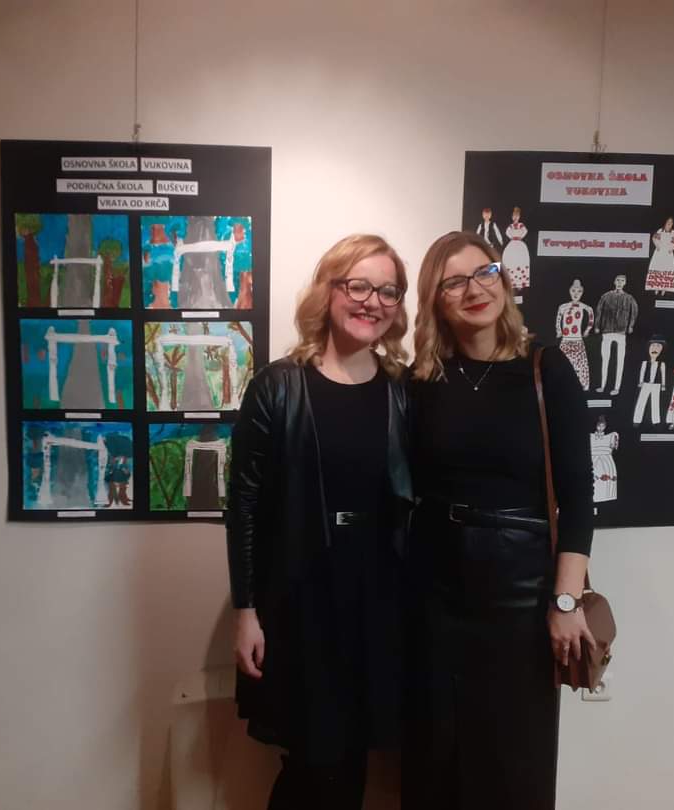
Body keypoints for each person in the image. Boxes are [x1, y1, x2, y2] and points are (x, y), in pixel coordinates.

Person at [404, 230, 594, 810]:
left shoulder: (546, 368)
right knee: (436, 760)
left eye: (485, 273)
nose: (474, 290)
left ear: (504, 279)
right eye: (454, 282)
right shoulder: (421, 381)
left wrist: (566, 602)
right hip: (434, 592)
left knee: (514, 762)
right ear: (435, 301)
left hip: (521, 594)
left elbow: (579, 498)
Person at [226, 234, 414, 810]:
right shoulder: (277, 386)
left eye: (387, 291)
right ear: (330, 292)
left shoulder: (405, 391)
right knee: (311, 761)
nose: (372, 301)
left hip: (377, 606)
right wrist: (245, 611)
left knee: (350, 759)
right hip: (300, 602)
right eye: (358, 285)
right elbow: (244, 505)